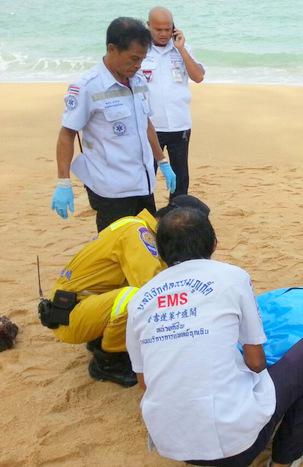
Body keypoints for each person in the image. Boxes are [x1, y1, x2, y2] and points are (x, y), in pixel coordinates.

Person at [126, 208, 303, 466]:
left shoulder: (138, 300)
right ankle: (286, 458)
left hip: (175, 445)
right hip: (238, 447)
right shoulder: (232, 277)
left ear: (161, 252)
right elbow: (256, 362)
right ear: (213, 243)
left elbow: (145, 381)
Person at [38, 195, 210, 387]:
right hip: (71, 317)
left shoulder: (137, 225)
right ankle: (109, 360)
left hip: (76, 307)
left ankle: (101, 338)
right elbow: (153, 286)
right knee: (139, 297)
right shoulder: (139, 234)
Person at [51, 17, 177, 232]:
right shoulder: (88, 87)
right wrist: (63, 182)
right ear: (112, 49)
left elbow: (145, 122)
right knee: (117, 256)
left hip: (143, 184)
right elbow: (67, 134)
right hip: (112, 192)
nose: (137, 66)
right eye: (133, 59)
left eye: (142, 60)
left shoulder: (138, 80)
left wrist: (162, 161)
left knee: (148, 248)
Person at [144, 6, 205, 200]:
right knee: (147, 177)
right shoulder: (140, 51)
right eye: (158, 29)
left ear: (174, 28)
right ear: (148, 27)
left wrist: (181, 49)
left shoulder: (182, 50)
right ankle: (147, 220)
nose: (163, 34)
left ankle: (176, 221)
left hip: (180, 125)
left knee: (180, 178)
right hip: (150, 126)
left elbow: (198, 77)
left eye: (167, 29)